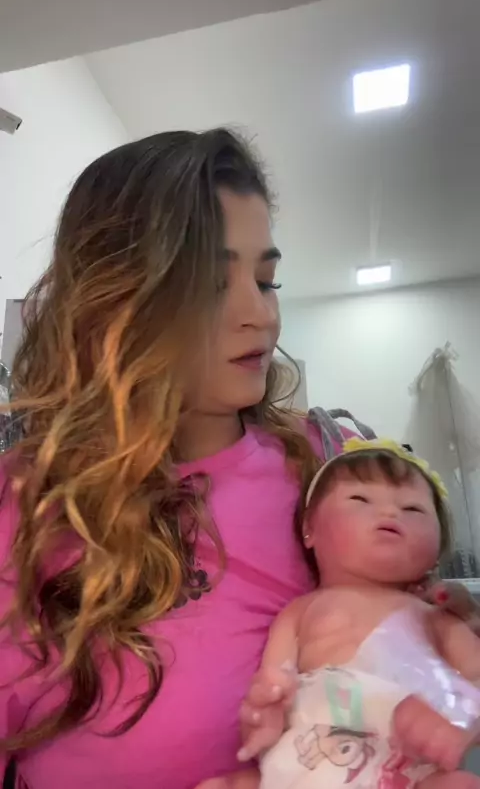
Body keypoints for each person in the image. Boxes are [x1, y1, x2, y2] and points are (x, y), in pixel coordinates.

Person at [0, 129, 477, 789]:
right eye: (212, 285)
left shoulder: (322, 467)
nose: (261, 315)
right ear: (114, 304)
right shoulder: (24, 506)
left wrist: (439, 634)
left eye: (266, 280)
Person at [206, 440, 480, 789]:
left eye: (413, 508)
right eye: (360, 500)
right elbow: (274, 686)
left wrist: (457, 725)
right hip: (315, 757)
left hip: (408, 765)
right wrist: (262, 715)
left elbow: (475, 683)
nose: (390, 513)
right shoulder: (301, 611)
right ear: (309, 528)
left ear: (438, 548)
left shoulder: (434, 617)